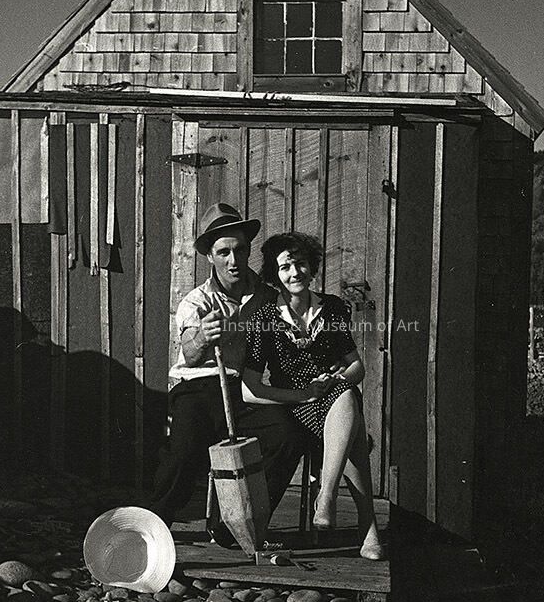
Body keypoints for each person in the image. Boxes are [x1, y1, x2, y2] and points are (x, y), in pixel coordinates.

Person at [150, 203, 303, 543]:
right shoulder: (197, 301)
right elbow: (190, 356)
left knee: (287, 436)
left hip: (242, 390)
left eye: (240, 250)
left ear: (248, 251)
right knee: (184, 450)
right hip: (198, 388)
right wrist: (203, 337)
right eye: (224, 252)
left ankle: (236, 522)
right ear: (210, 256)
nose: (233, 260)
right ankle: (153, 526)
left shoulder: (267, 297)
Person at [241, 232, 385, 561]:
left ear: (312, 266)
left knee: (346, 395)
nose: (295, 273)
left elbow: (357, 367)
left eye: (301, 264)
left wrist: (335, 378)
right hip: (295, 405)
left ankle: (327, 494)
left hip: (332, 395)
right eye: (285, 267)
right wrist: (302, 395)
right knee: (353, 426)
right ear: (275, 274)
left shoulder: (331, 308)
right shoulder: (264, 318)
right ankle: (367, 527)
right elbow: (250, 390)